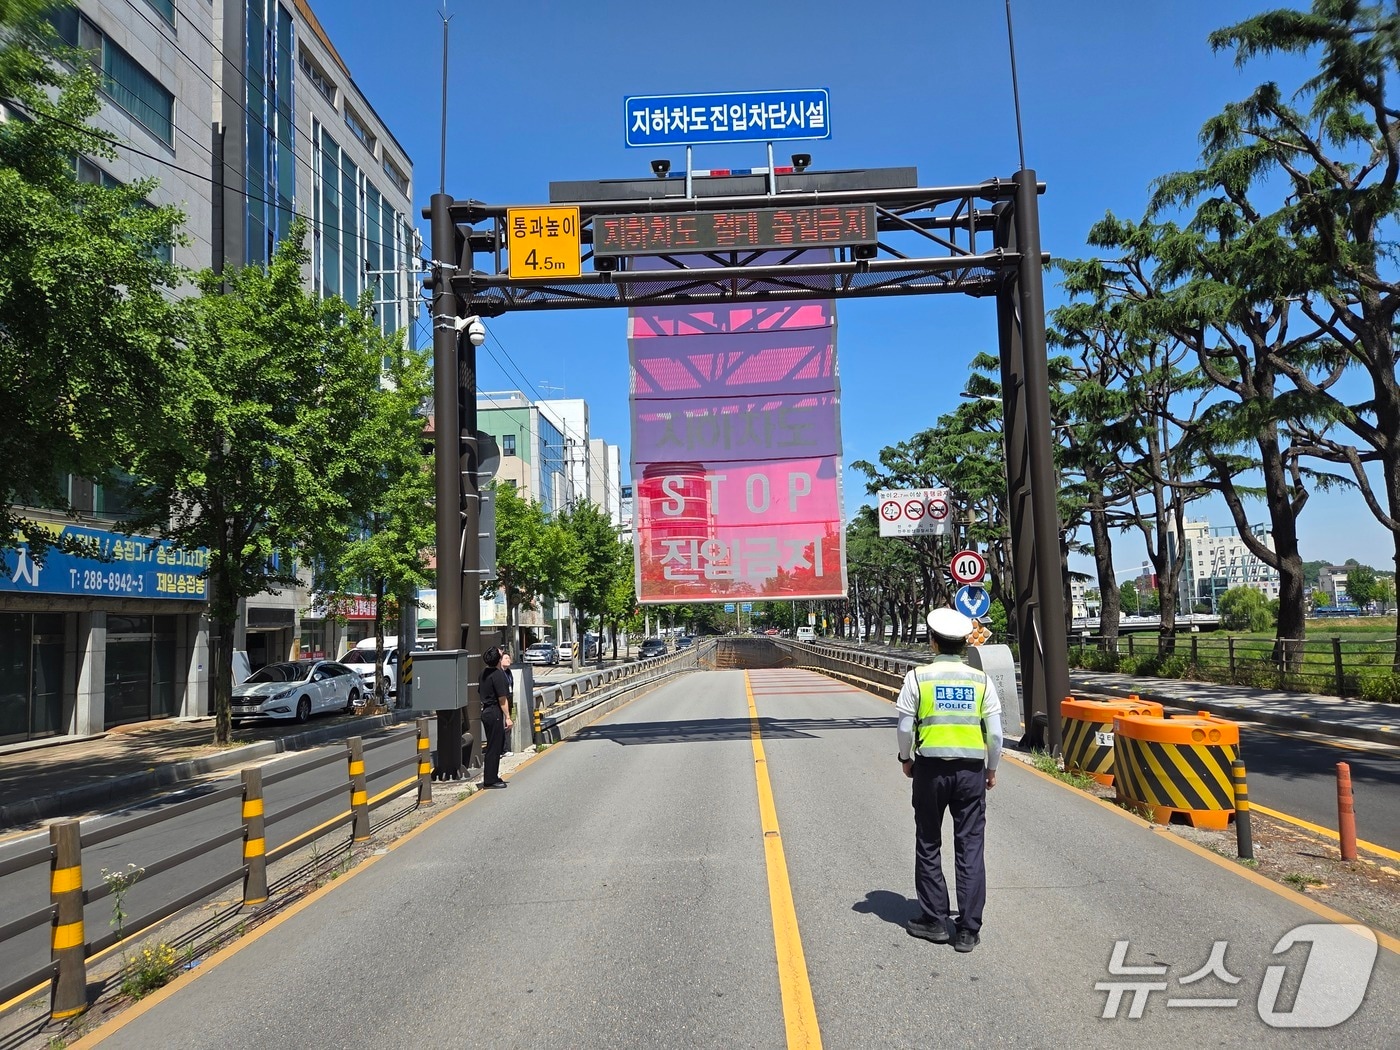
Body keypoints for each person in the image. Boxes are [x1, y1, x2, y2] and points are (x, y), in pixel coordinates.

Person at [896, 607, 1003, 953]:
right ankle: (969, 929)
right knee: (970, 845)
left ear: (933, 642)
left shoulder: (918, 677)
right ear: (963, 644)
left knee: (929, 841)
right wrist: (991, 769)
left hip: (930, 770)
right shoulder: (980, 680)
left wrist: (906, 758)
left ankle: (934, 920)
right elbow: (997, 735)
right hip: (971, 772)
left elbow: (903, 727)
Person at [479, 646, 514, 789]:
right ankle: (490, 779)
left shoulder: (483, 673)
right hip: (495, 712)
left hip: (486, 710)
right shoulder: (498, 674)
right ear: (499, 659)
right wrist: (508, 717)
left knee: (492, 745)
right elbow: (502, 699)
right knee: (495, 747)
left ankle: (491, 775)